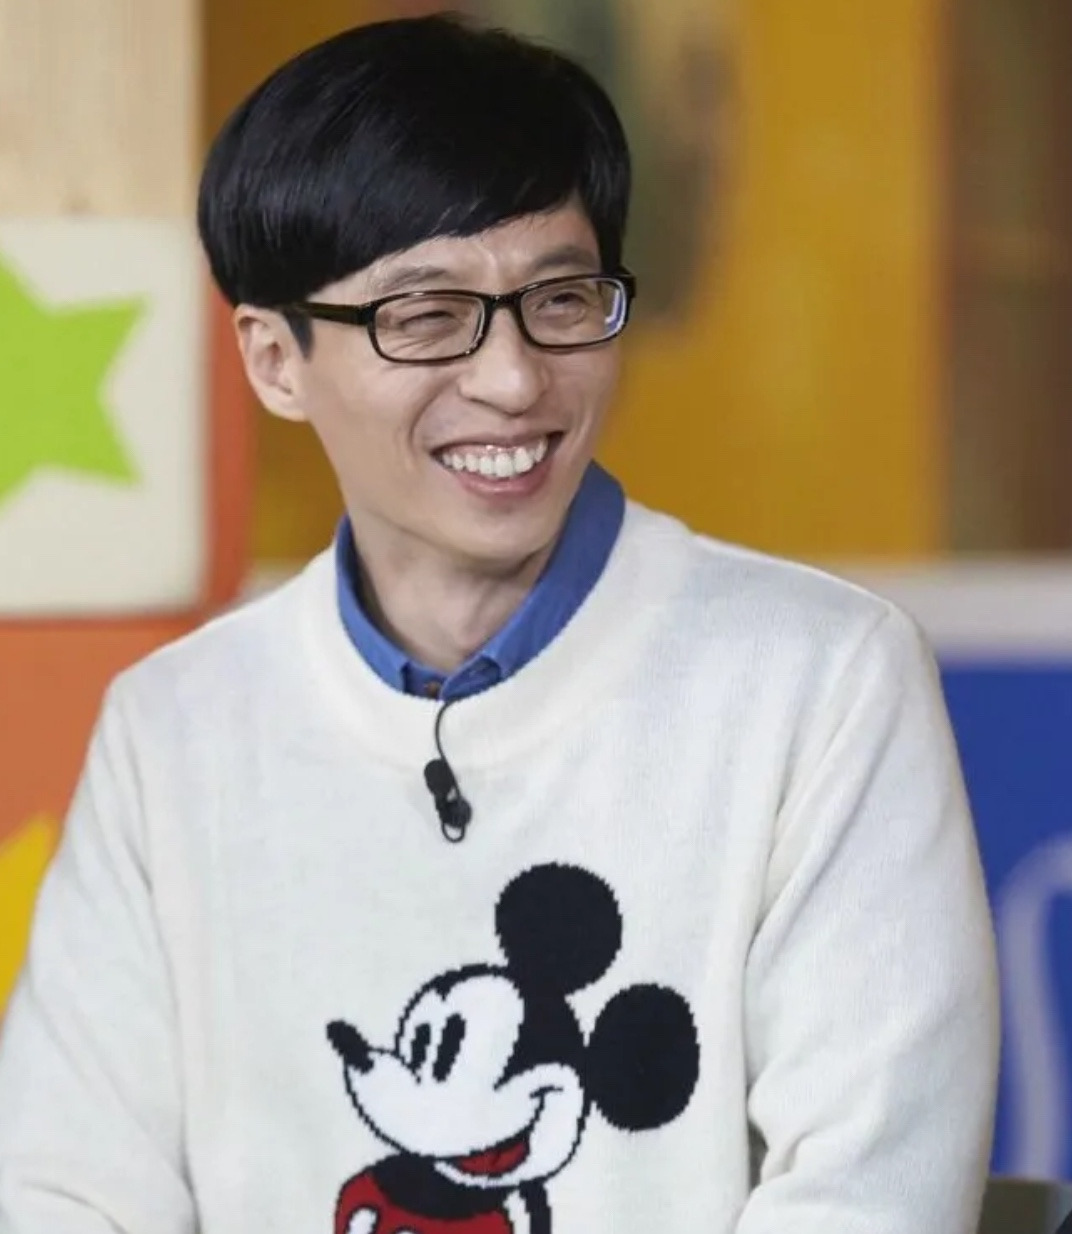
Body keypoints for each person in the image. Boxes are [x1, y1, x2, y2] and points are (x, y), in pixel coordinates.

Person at [0, 13, 999, 1234]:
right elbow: (65, 1191)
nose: (515, 380)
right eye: (426, 317)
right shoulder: (175, 730)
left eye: (561, 299)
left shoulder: (820, 683)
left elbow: (871, 1193)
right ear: (273, 360)